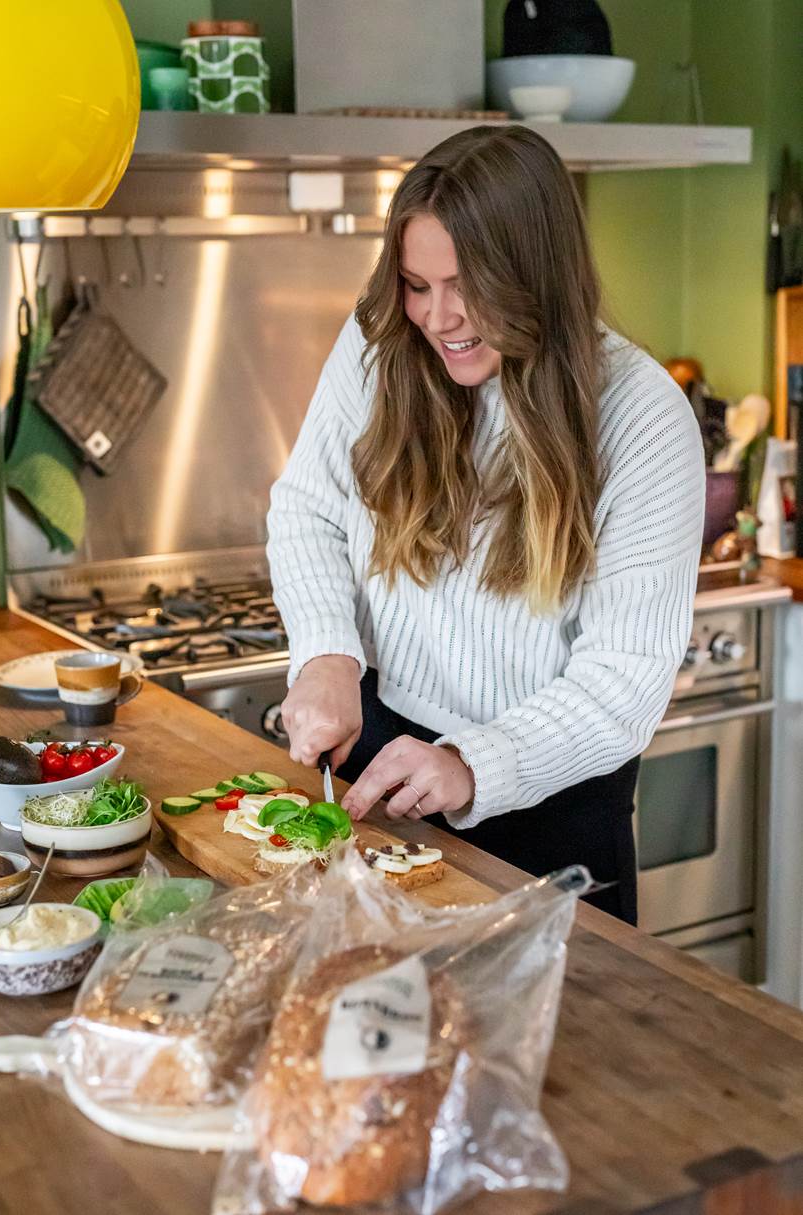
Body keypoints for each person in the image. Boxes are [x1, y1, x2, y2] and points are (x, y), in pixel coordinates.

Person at [266, 125, 704, 923]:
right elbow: (308, 510)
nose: (440, 317)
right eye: (416, 282)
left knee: (558, 1047)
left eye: (467, 283)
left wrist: (474, 762)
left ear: (537, 272)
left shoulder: (641, 418)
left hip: (555, 808)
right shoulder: (380, 346)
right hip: (387, 765)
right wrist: (326, 653)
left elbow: (624, 683)